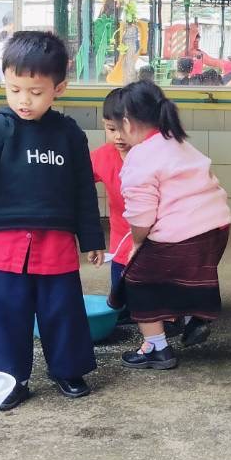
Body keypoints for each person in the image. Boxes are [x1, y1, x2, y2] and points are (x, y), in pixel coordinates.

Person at [0, 31, 104, 412]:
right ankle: (8, 379)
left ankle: (68, 370)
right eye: (14, 90)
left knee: (63, 310)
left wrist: (92, 238)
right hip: (7, 242)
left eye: (35, 92)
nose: (23, 101)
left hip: (57, 242)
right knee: (7, 313)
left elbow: (84, 188)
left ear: (58, 88)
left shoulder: (70, 134)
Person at [114, 80, 231, 370]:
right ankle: (194, 317)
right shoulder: (179, 143)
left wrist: (138, 243)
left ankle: (156, 348)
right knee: (187, 274)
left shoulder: (140, 155)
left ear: (127, 122)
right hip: (216, 229)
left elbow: (141, 214)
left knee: (137, 281)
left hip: (183, 234)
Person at [92, 88, 135, 319]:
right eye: (111, 129)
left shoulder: (155, 154)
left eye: (125, 129)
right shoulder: (102, 156)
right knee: (120, 298)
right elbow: (75, 181)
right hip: (122, 238)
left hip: (158, 236)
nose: (118, 136)